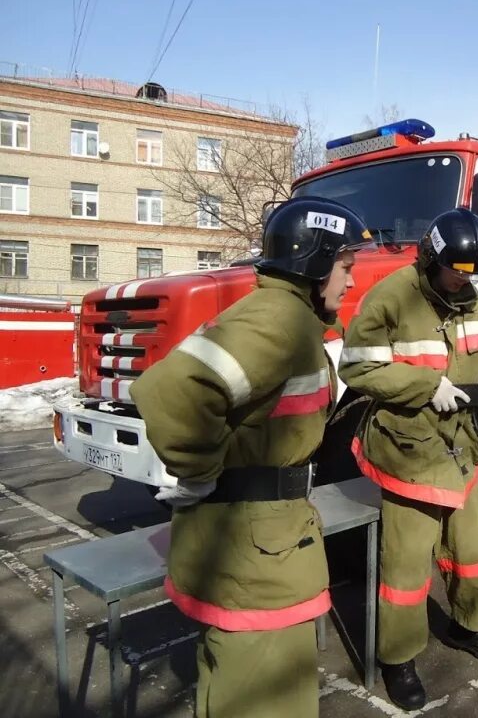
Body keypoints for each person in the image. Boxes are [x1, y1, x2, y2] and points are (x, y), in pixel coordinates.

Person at [129, 196, 375, 718]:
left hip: (260, 544)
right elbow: (172, 390)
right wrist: (198, 471)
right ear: (313, 262)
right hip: (257, 556)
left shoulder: (290, 318)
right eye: (346, 267)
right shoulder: (279, 320)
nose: (352, 282)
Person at [337, 209, 478, 711]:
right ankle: (399, 657)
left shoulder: (471, 296)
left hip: (462, 448)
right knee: (407, 568)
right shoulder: (393, 296)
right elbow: (357, 366)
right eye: (459, 272)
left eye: (475, 275)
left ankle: (467, 627)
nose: (466, 283)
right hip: (409, 450)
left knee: (470, 549)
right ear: (433, 259)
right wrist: (424, 385)